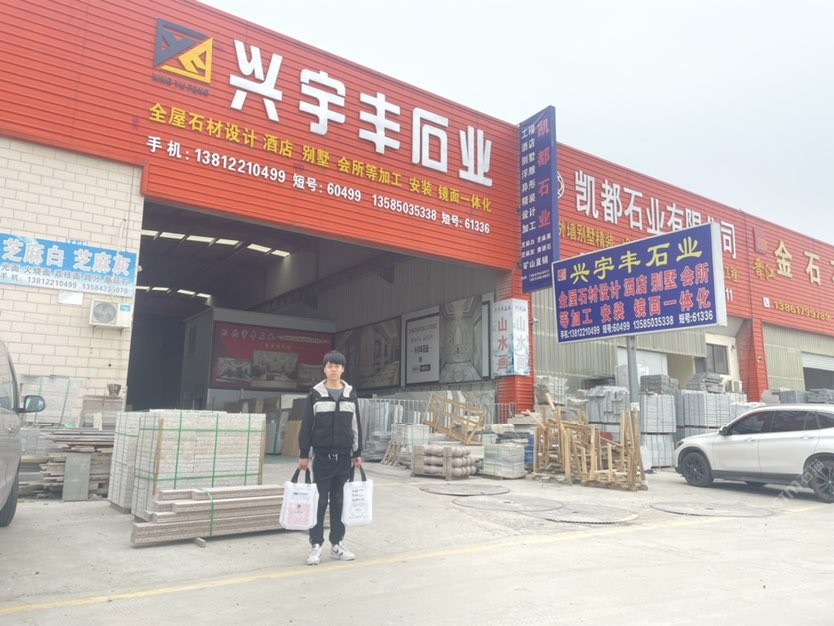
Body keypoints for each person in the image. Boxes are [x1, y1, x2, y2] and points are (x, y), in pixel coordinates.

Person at [297, 350, 363, 565]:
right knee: (319, 502)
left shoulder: (350, 394)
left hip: (344, 458)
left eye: (337, 366)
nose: (333, 369)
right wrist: (304, 454)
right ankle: (315, 545)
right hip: (322, 458)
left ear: (343, 369)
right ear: (324, 369)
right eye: (330, 366)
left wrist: (357, 452)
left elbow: (356, 425)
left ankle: (337, 544)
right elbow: (307, 426)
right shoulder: (315, 394)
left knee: (339, 502)